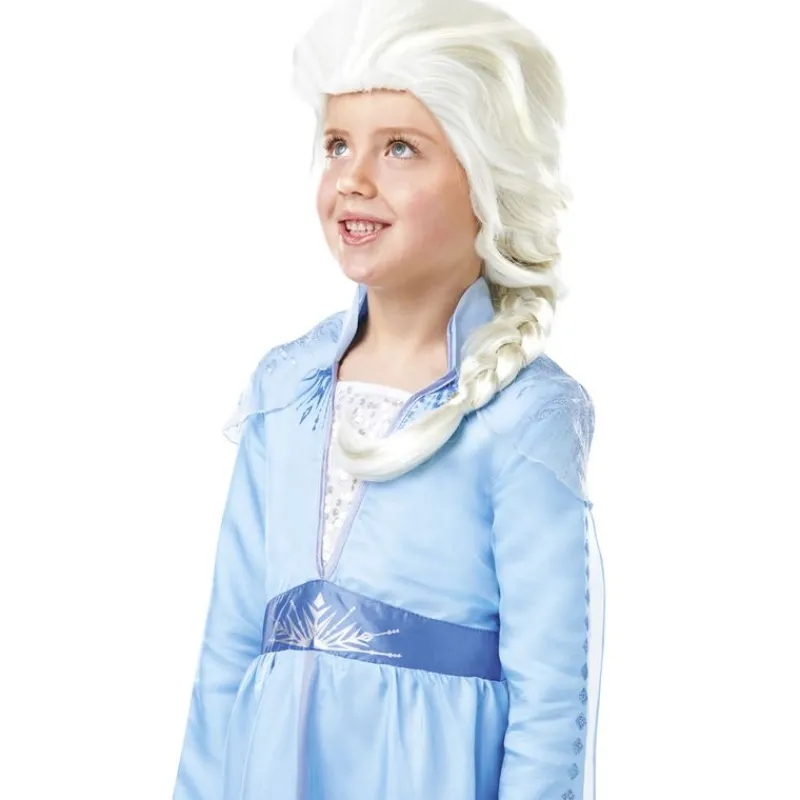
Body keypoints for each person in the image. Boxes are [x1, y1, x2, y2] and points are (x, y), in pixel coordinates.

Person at [172, 0, 605, 798]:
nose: (352, 179)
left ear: (487, 178)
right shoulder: (285, 390)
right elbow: (227, 652)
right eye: (338, 145)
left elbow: (551, 703)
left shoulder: (522, 414)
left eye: (400, 147)